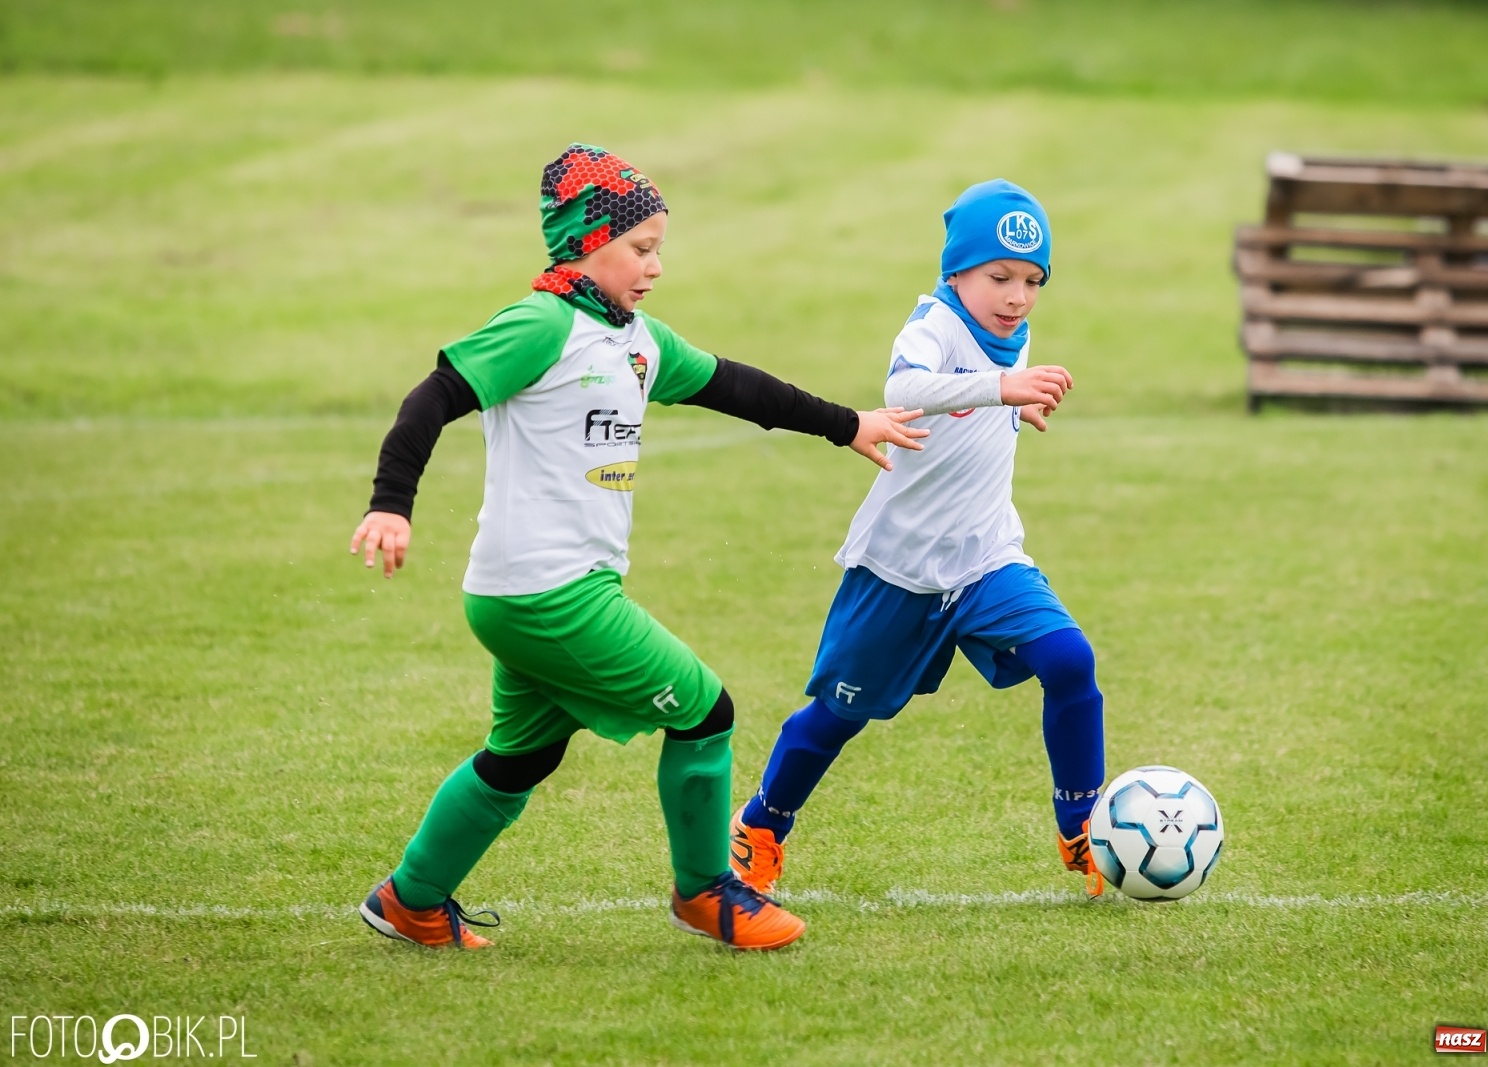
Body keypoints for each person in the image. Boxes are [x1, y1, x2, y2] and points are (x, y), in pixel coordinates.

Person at [349, 143, 927, 951]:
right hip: (548, 594)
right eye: (640, 247)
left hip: (533, 593)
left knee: (520, 759)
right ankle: (706, 892)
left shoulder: (637, 339)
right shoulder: (543, 324)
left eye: (659, 248)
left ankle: (409, 900)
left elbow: (737, 386)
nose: (655, 266)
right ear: (586, 244)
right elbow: (434, 396)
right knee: (706, 711)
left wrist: (847, 423)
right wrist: (391, 504)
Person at [729, 179, 1108, 899]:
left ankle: (1085, 826)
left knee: (1070, 660)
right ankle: (762, 824)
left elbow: (984, 400)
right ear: (956, 271)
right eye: (1000, 277)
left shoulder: (1012, 333)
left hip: (986, 556)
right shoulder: (932, 323)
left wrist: (1012, 408)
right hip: (900, 567)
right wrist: (1002, 390)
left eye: (1033, 282)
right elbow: (905, 390)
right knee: (837, 715)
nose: (1017, 297)